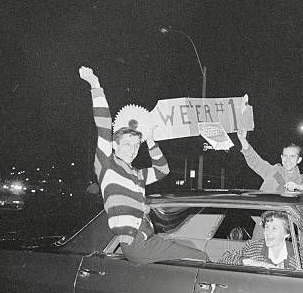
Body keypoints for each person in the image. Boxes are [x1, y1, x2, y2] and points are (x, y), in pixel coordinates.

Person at [79, 66, 207, 264]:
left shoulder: (137, 174)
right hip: (137, 243)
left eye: (136, 145)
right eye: (127, 144)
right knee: (201, 257)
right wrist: (95, 85)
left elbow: (163, 170)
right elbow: (104, 125)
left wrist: (151, 140)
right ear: (115, 145)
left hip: (148, 238)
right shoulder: (107, 165)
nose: (132, 149)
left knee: (192, 247)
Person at [218, 211, 303, 270]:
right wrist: (252, 263)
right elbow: (224, 258)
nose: (268, 232)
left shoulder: (301, 256)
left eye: (274, 228)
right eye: (267, 227)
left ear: (286, 234)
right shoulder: (253, 247)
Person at [236, 129, 303, 193]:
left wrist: (298, 187)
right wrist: (243, 139)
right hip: (266, 216)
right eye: (285, 156)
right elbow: (254, 160)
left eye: (292, 157)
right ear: (281, 157)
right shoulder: (271, 171)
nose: (287, 160)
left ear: (299, 160)